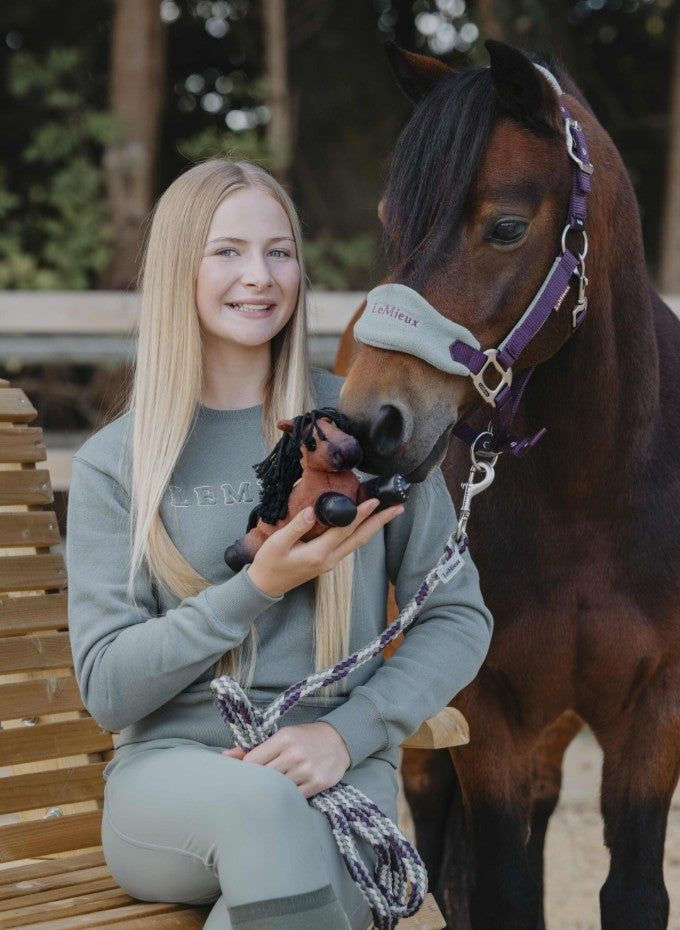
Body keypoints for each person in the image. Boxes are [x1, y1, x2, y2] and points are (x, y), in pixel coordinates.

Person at [66, 159, 493, 930]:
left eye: (280, 251)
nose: (258, 276)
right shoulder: (118, 464)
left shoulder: (362, 426)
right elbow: (107, 689)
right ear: (178, 269)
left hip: (339, 780)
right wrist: (254, 586)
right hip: (170, 793)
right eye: (226, 251)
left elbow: (459, 617)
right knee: (263, 811)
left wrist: (344, 732)